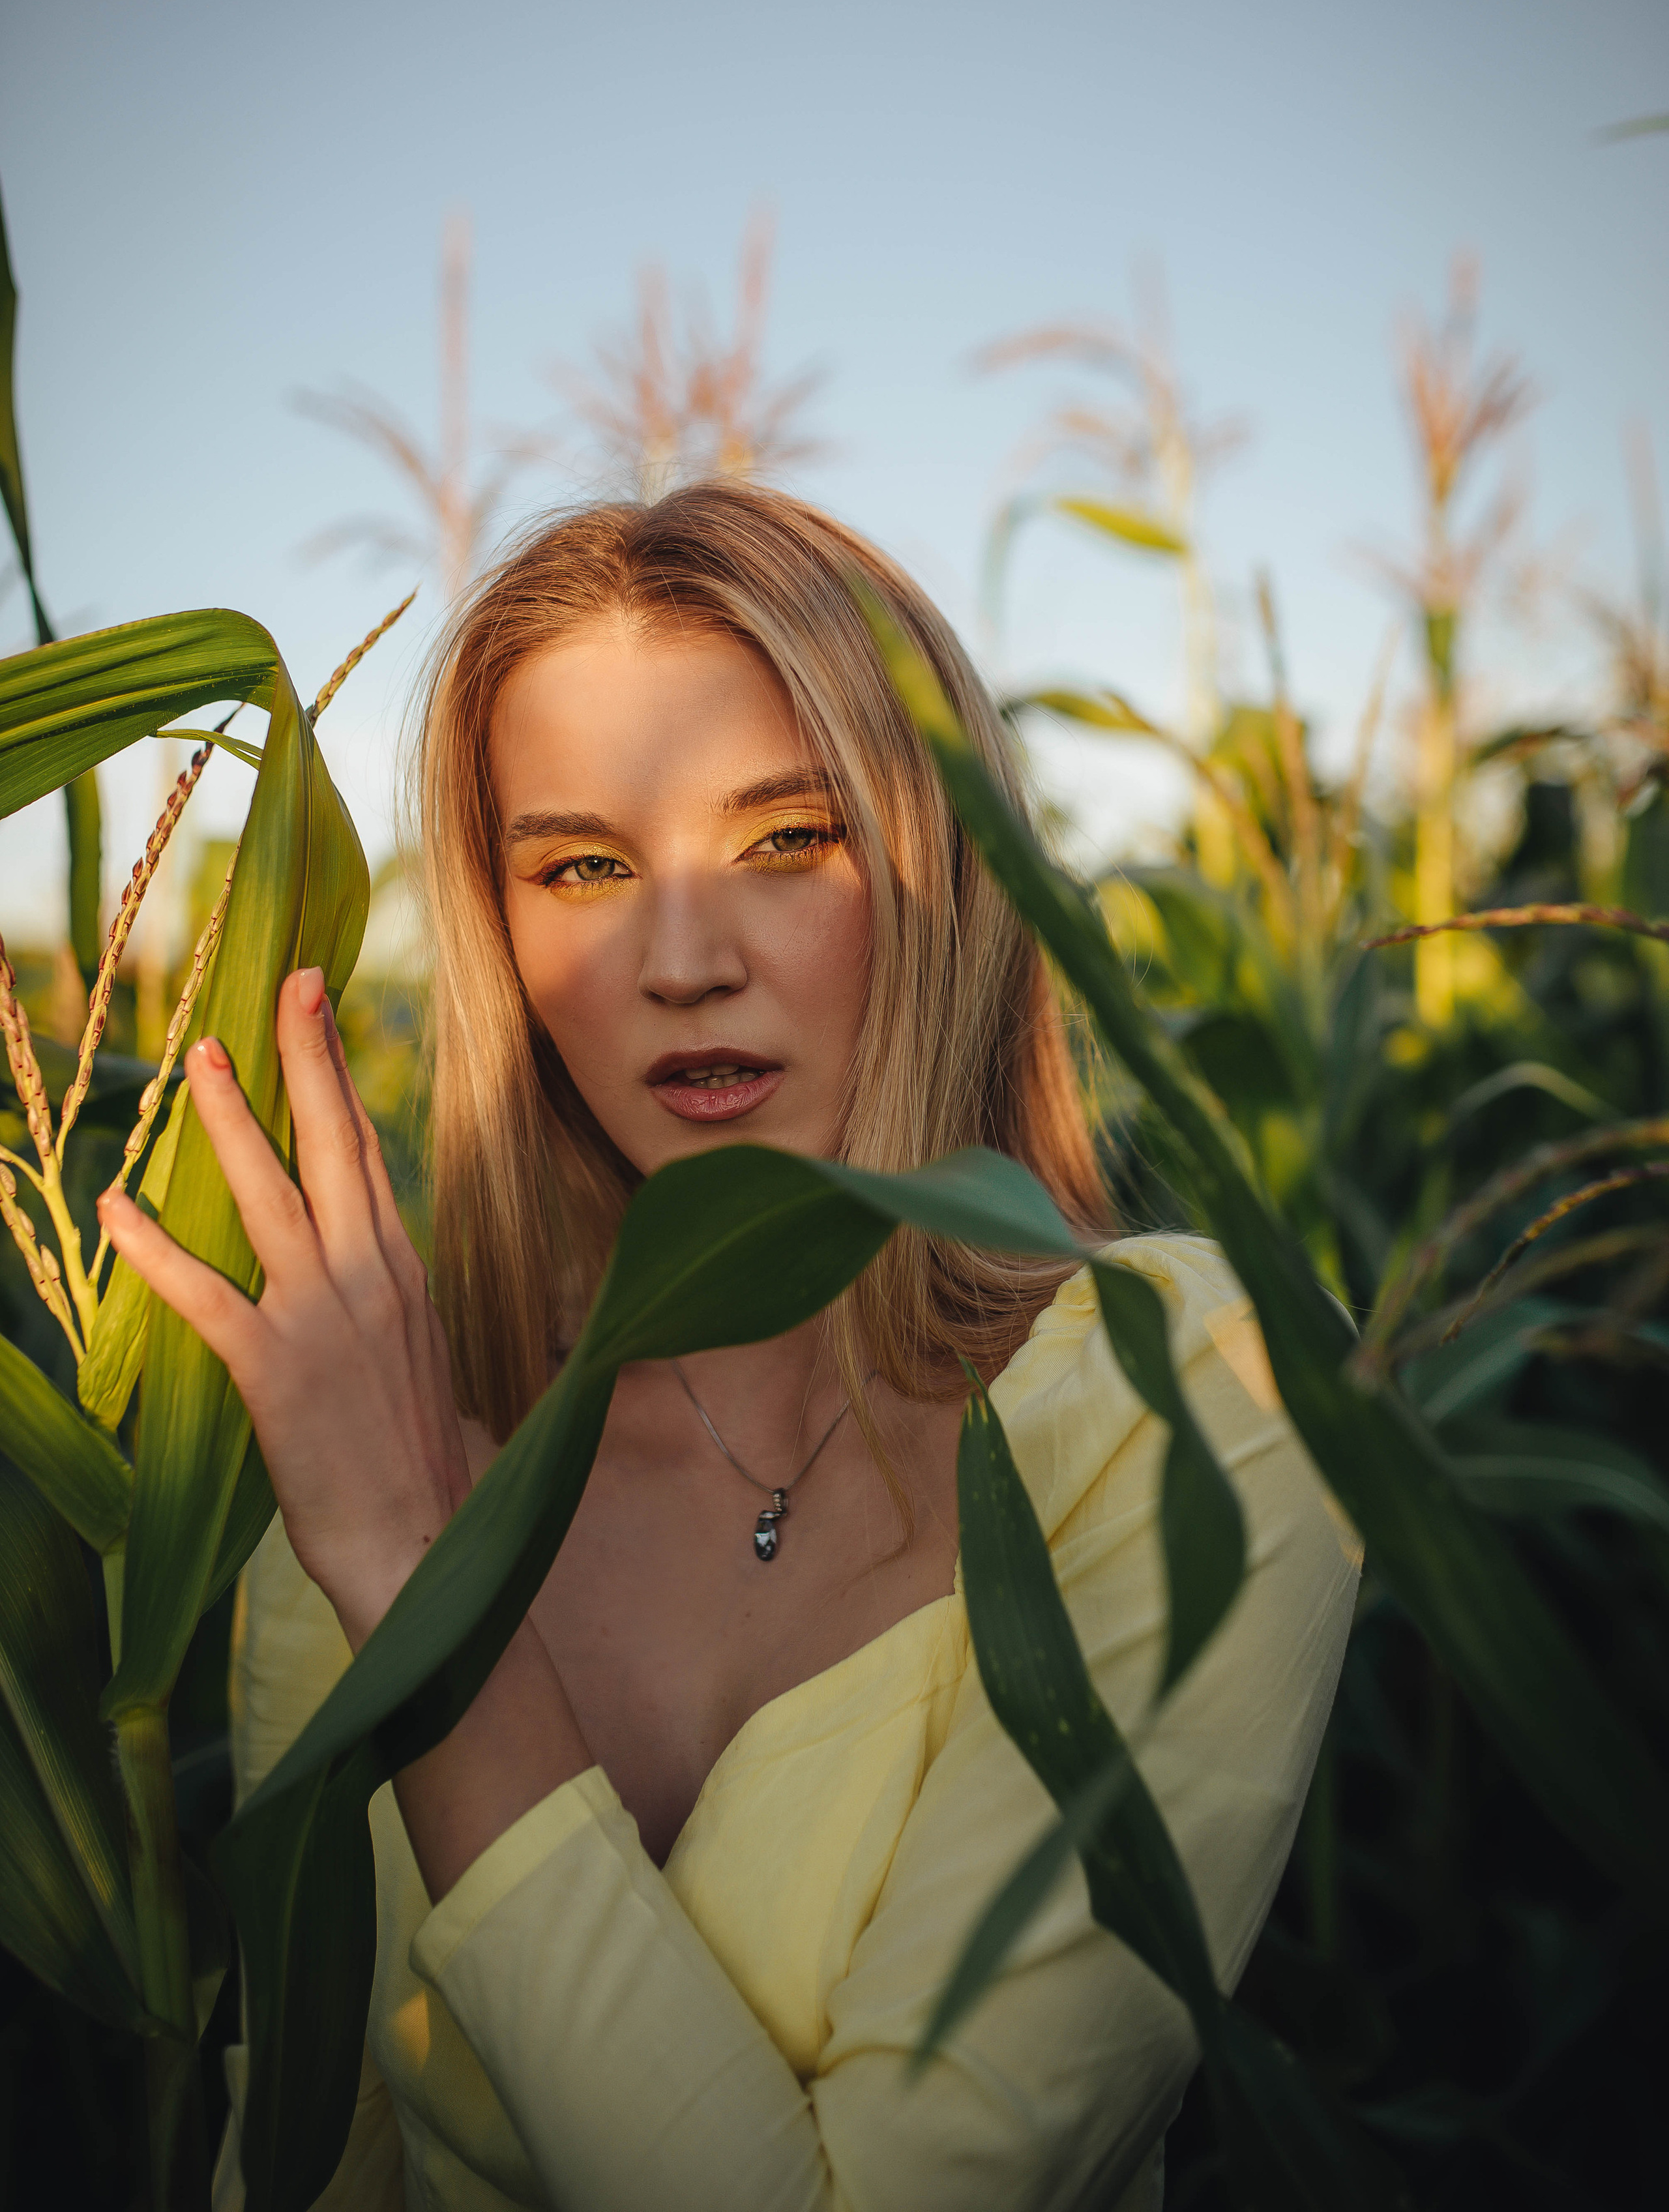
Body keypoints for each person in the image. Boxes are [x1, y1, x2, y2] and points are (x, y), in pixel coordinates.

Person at [99, 483, 1359, 2212]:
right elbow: (311, 2153)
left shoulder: (1192, 1391)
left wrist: (426, 1600)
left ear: (944, 868)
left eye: (787, 840)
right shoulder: (387, 1455)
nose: (682, 961)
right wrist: (379, 1538)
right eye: (584, 867)